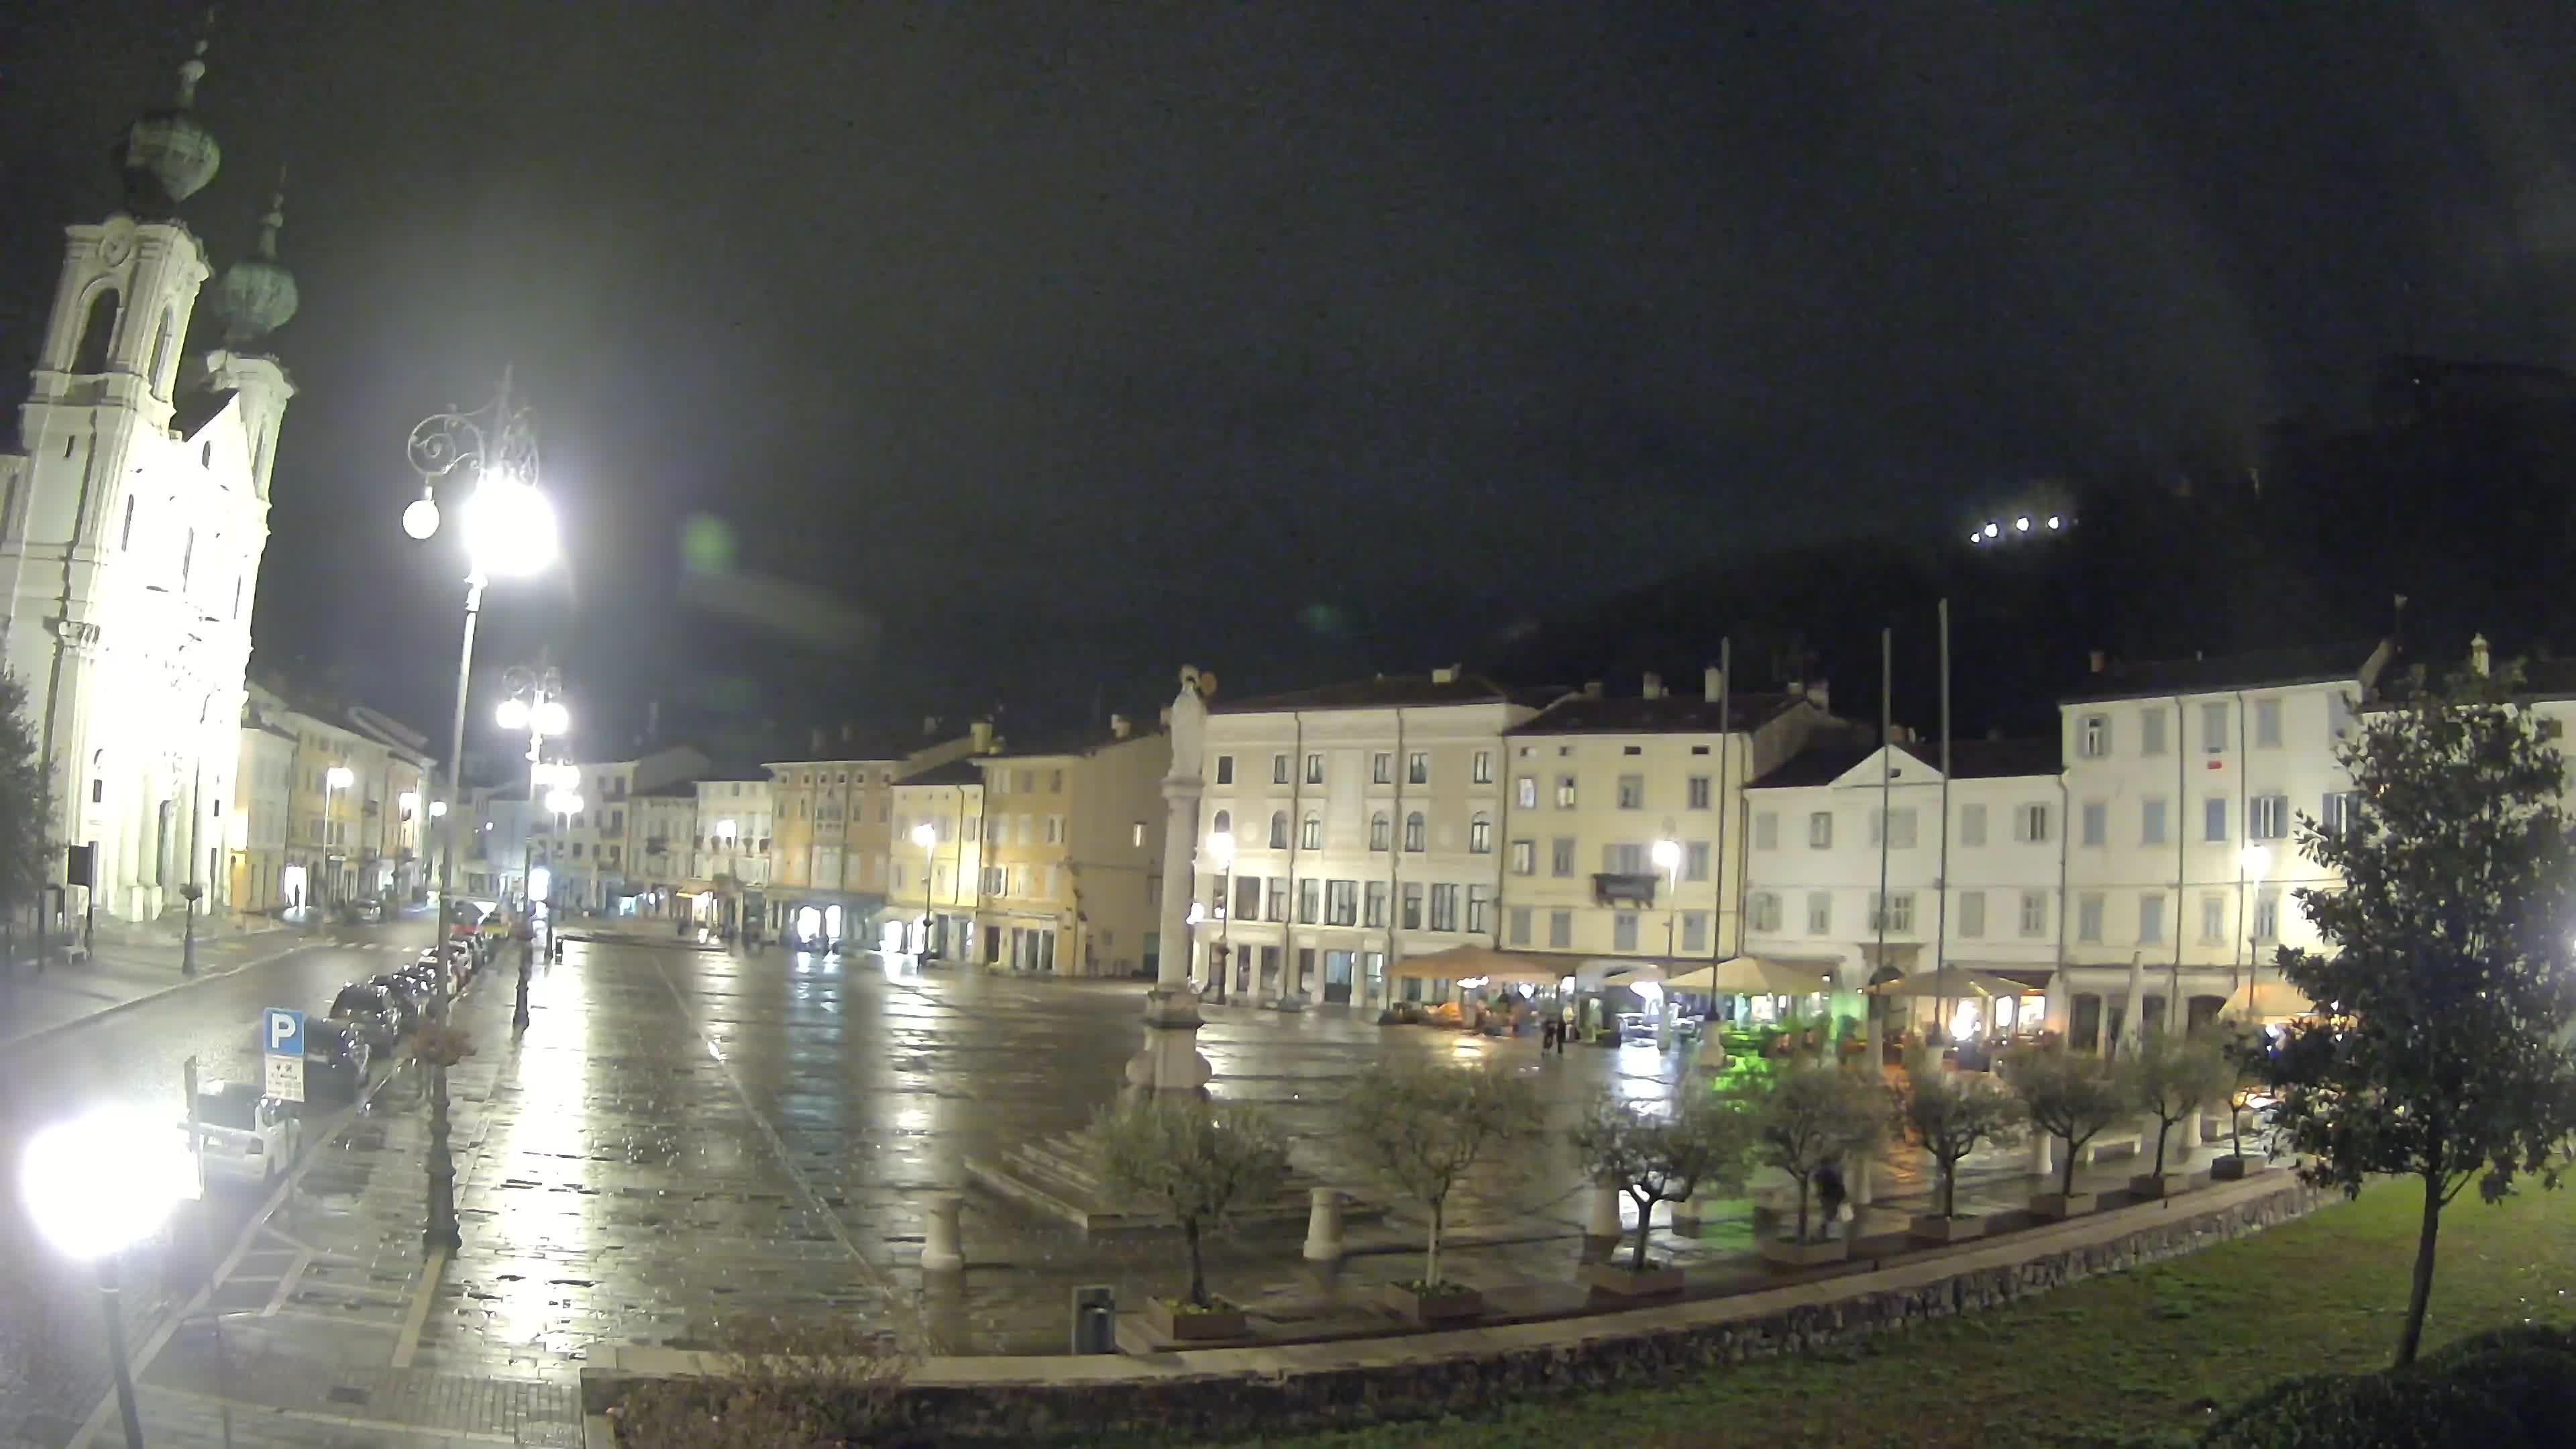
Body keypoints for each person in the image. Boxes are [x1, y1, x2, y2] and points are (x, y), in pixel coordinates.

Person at [1814, 1160, 1848, 1240]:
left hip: (1828, 1195)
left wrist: (1819, 1193)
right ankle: (1825, 1234)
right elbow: (1840, 1183)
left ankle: (1824, 1233)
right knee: (1831, 1214)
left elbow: (1818, 1182)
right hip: (1834, 1195)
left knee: (1829, 1214)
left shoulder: (1821, 1171)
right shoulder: (1836, 1169)